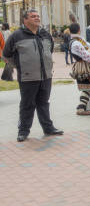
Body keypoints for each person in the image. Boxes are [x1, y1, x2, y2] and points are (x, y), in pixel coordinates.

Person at [2, 9, 63, 142]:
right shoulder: (16, 35)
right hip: (27, 77)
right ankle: (23, 131)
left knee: (44, 103)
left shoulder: (45, 34)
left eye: (37, 16)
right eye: (33, 16)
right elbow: (6, 55)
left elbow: (50, 50)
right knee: (27, 105)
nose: (37, 18)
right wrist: (20, 66)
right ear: (25, 20)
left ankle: (48, 128)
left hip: (46, 76)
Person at [68, 23, 90, 115]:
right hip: (85, 67)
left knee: (87, 88)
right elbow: (86, 56)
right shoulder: (76, 42)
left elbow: (89, 47)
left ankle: (83, 107)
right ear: (79, 30)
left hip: (82, 66)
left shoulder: (78, 40)